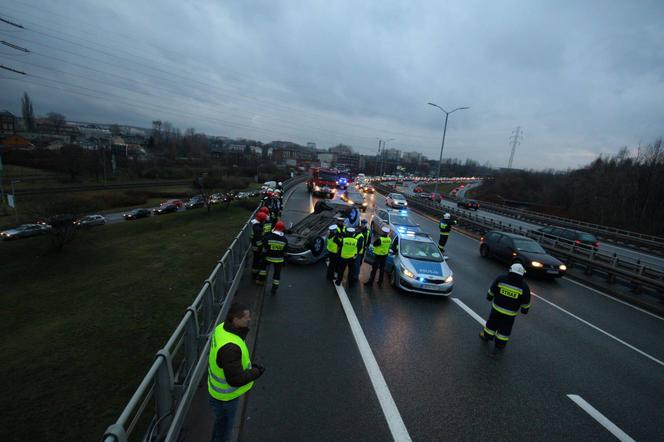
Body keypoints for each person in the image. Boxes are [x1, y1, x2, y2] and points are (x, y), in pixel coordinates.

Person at [208, 302, 265, 442]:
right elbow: (235, 379)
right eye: (246, 317)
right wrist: (256, 371)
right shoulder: (231, 347)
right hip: (226, 397)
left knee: (221, 425)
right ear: (235, 319)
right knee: (225, 430)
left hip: (216, 392)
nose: (249, 319)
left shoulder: (221, 328)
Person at [479, 263, 531, 352]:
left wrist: (489, 297)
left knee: (491, 324)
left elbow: (492, 290)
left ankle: (486, 337)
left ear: (510, 270)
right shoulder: (524, 287)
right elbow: (526, 301)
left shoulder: (501, 279)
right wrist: (524, 310)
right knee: (505, 330)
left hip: (496, 309)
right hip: (510, 314)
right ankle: (500, 345)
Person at [258, 220, 288, 293]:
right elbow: (285, 253)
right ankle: (274, 288)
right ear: (282, 229)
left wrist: (262, 256)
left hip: (268, 258)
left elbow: (264, 249)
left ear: (275, 228)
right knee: (277, 273)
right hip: (279, 260)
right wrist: (285, 261)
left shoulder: (268, 237)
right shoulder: (284, 239)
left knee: (263, 268)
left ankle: (261, 280)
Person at [351, 219, 370, 283]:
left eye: (364, 224)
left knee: (358, 263)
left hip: (362, 250)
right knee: (354, 263)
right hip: (355, 249)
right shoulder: (358, 229)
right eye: (362, 223)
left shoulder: (367, 231)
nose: (363, 224)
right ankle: (353, 274)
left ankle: (355, 275)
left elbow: (369, 240)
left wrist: (366, 246)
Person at [250, 212, 267, 276]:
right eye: (264, 219)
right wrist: (261, 247)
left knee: (256, 258)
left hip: (255, 245)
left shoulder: (256, 225)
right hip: (257, 246)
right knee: (257, 259)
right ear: (262, 220)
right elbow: (258, 240)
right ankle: (255, 273)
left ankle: (255, 271)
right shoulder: (258, 228)